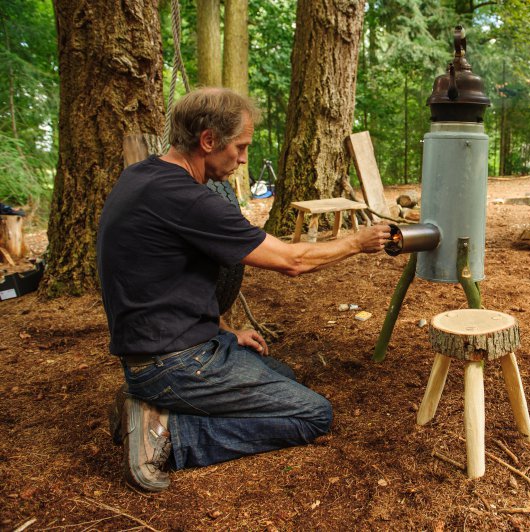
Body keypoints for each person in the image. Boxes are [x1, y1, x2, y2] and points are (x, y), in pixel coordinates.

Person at [97, 88, 391, 492]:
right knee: (312, 415)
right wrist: (357, 242)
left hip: (160, 348)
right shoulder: (190, 200)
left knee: (282, 374)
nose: (243, 158)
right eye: (241, 147)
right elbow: (292, 261)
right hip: (172, 364)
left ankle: (154, 405)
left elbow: (161, 279)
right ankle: (169, 434)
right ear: (208, 141)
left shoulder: (143, 176)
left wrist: (224, 331)